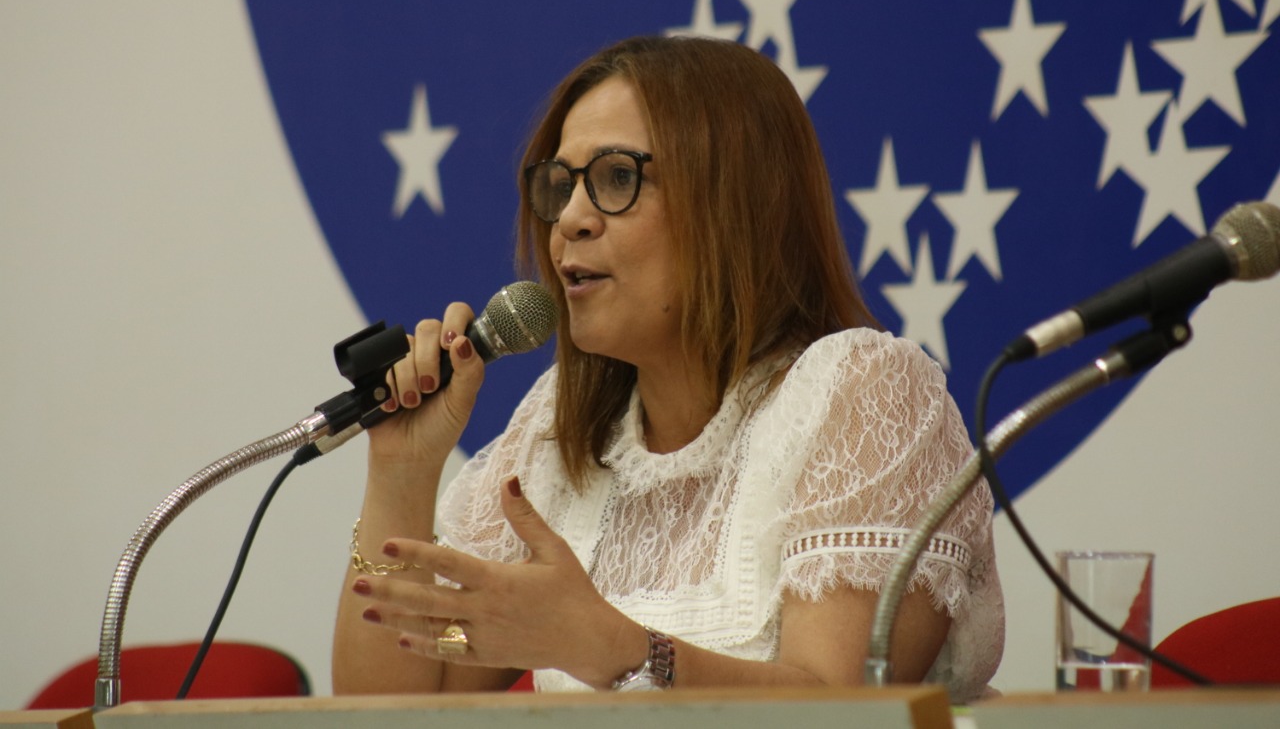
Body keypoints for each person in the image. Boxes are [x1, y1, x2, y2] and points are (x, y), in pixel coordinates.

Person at [332, 35, 1004, 702]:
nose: (569, 220)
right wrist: (402, 470)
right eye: (560, 187)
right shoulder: (554, 431)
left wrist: (615, 648)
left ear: (737, 200)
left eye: (618, 178)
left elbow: (837, 708)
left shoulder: (863, 392)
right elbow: (393, 711)